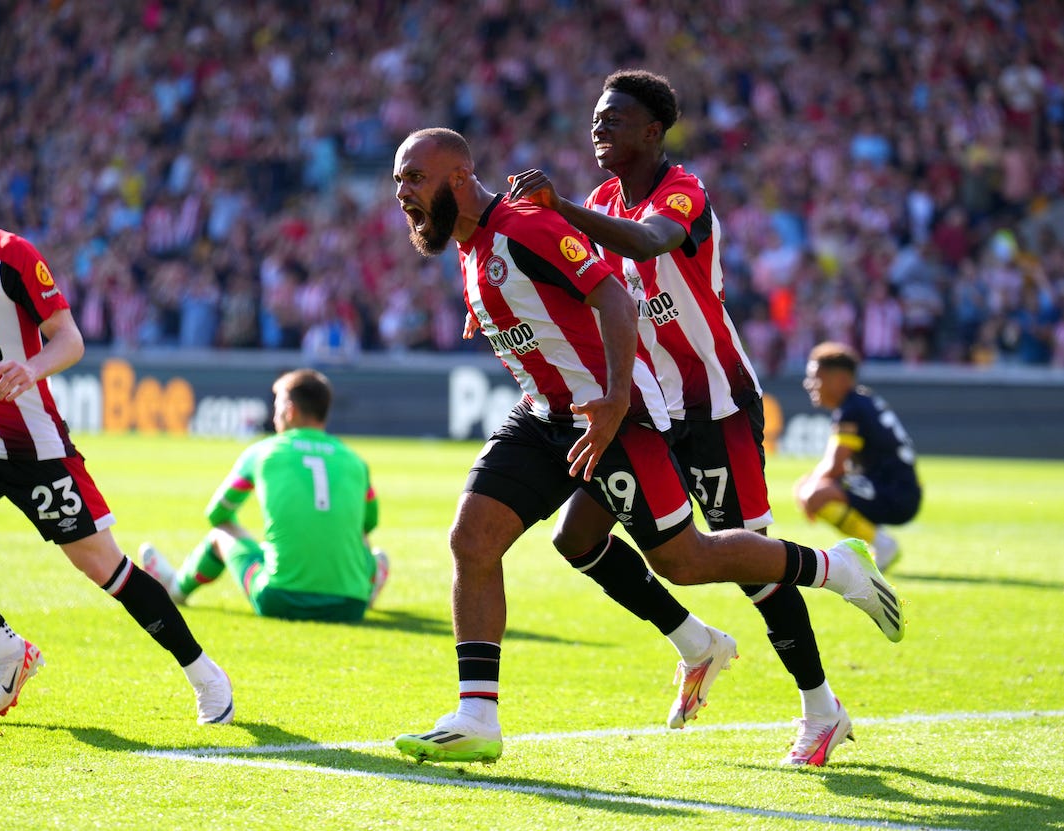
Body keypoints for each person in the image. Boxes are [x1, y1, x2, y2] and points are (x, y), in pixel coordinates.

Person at [390, 127, 904, 767]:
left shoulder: (527, 225)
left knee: (684, 561)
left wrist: (611, 401)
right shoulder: (473, 247)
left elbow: (613, 297)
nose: (403, 193)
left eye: (414, 178)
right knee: (474, 539)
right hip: (545, 417)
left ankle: (835, 569)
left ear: (459, 177)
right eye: (398, 181)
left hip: (622, 416)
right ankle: (477, 716)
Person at [506, 69, 856, 765]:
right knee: (577, 537)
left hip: (712, 403)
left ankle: (822, 708)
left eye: (613, 119)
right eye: (594, 118)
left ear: (652, 131)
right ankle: (696, 643)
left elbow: (646, 244)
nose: (598, 128)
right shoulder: (601, 201)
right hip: (644, 405)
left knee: (751, 563)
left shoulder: (681, 191)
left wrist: (560, 207)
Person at [0, 131, 233, 725]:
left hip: (34, 447)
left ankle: (204, 673)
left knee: (104, 567)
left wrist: (31, 368)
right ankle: (6, 652)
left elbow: (70, 339)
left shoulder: (12, 256)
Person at [142, 368, 388, 622]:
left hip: (279, 598)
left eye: (277, 406)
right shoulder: (356, 462)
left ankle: (175, 588)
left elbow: (216, 514)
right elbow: (369, 523)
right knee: (360, 537)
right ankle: (369, 584)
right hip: (350, 607)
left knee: (221, 534)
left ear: (290, 411)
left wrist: (262, 549)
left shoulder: (263, 452)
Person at [795, 342, 922, 572]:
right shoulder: (861, 401)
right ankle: (878, 543)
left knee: (816, 492)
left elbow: (834, 467)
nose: (809, 384)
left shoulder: (851, 409)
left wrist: (810, 489)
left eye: (817, 377)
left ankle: (882, 546)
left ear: (840, 379)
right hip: (896, 488)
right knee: (812, 488)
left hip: (895, 493)